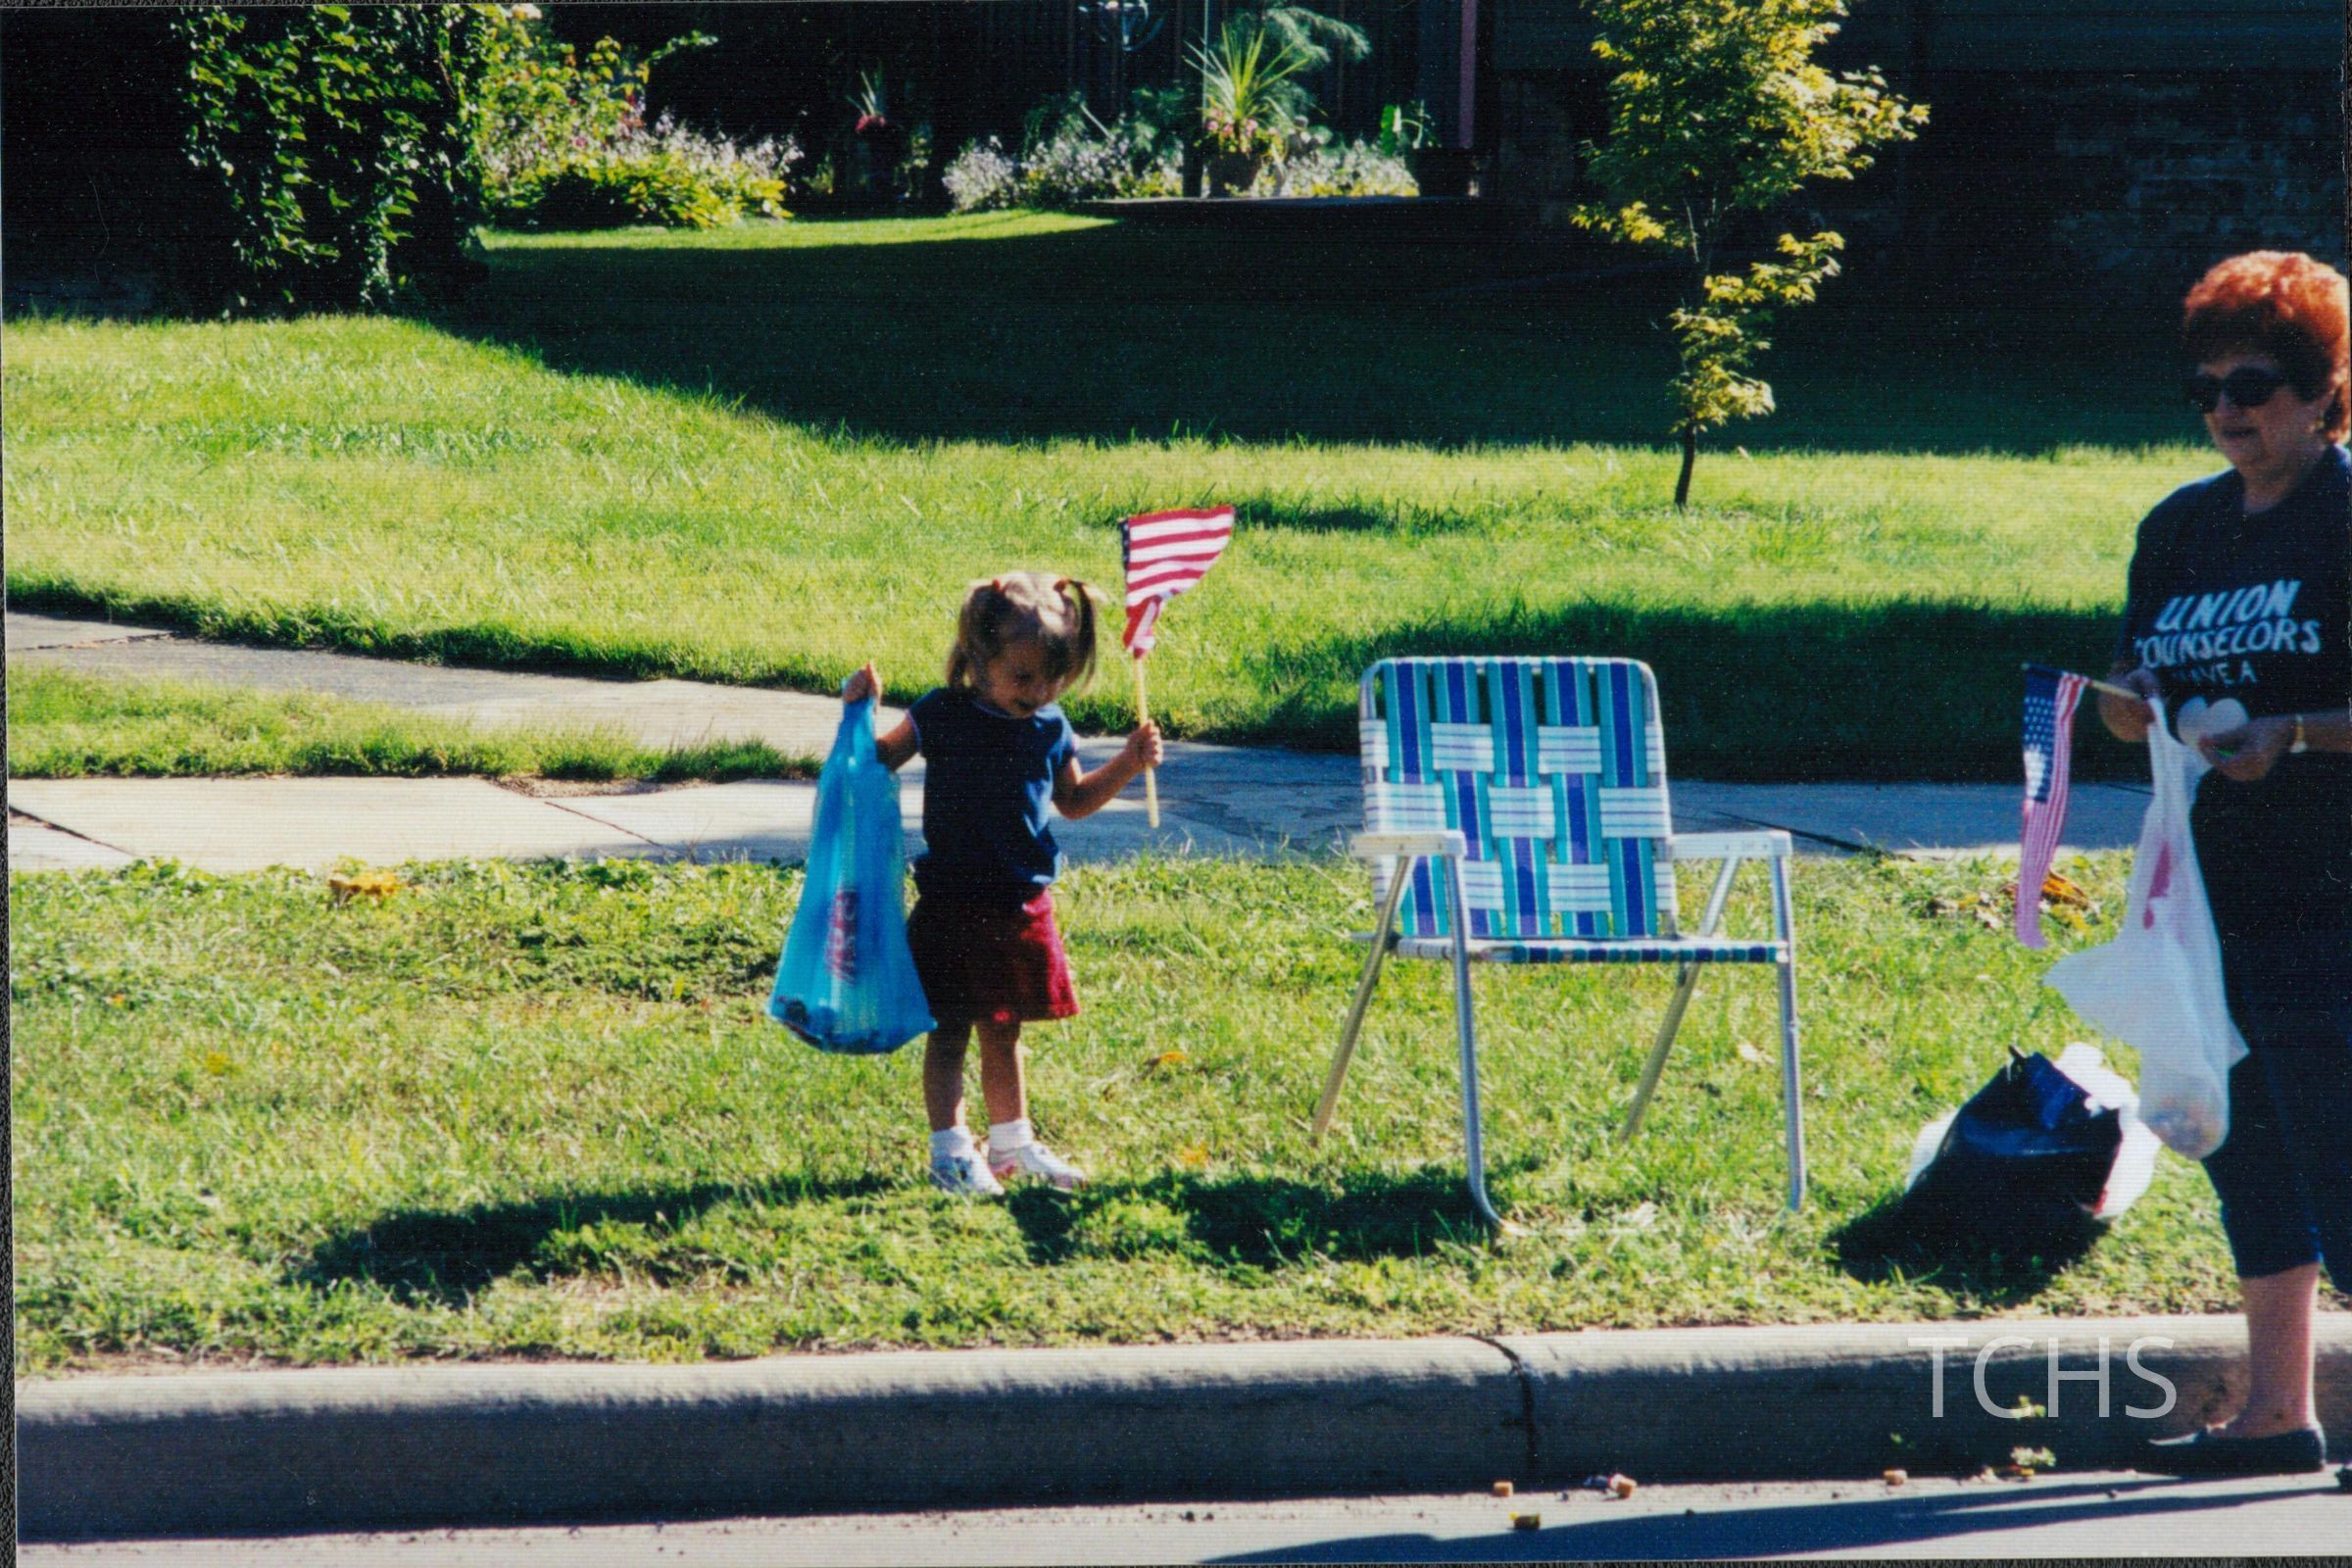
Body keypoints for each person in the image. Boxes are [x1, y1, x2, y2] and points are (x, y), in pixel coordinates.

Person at [2096, 251, 2351, 1478]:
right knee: (2251, 1147)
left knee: (2342, 1144)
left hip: (2335, 889)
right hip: (2213, 891)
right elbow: (2136, 681)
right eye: (2207, 390)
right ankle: (2276, 1414)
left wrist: (2295, 732)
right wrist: (2130, 702)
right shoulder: (2181, 528)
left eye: (2254, 385)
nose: (2227, 410)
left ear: (2324, 391)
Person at [843, 571, 1163, 1197]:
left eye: (1054, 678)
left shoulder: (1048, 726)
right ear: (979, 658)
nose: (1040, 691)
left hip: (1019, 902)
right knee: (948, 1031)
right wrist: (861, 711)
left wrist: (1128, 763)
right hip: (952, 904)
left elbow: (1073, 801)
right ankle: (950, 1152)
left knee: (1004, 1026)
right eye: (1024, 677)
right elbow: (878, 759)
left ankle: (1011, 1143)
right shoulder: (941, 714)